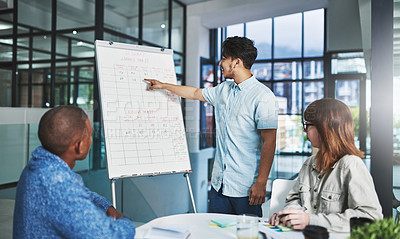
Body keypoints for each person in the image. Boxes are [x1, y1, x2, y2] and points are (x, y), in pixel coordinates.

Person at [145, 36, 278, 217]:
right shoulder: (224, 90)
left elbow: (269, 142)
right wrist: (163, 85)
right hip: (219, 185)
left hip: (246, 188)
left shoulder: (263, 97)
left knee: (247, 236)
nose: (220, 63)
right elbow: (194, 92)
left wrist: (261, 183)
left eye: (224, 58)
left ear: (236, 62)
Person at [13, 106, 135, 238]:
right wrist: (127, 223)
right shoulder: (58, 182)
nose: (92, 140)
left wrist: (106, 207)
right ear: (79, 145)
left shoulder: (39, 165)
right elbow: (105, 236)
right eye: (90, 135)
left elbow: (81, 193)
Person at [269, 98, 383, 232]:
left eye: (307, 125)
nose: (305, 131)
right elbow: (294, 199)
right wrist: (289, 215)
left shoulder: (351, 165)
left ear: (325, 129)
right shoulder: (309, 163)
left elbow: (371, 219)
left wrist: (310, 220)